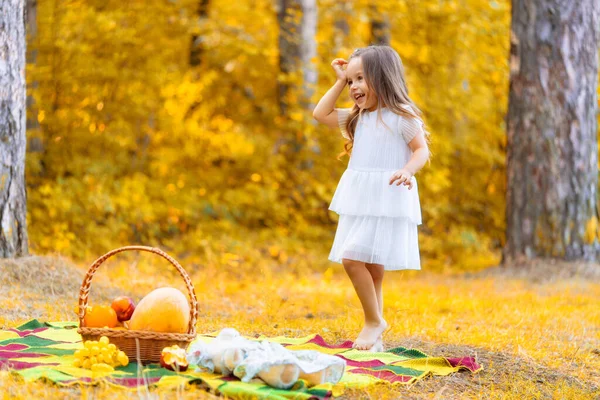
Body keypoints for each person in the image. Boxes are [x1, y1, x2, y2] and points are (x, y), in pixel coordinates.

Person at [312, 45, 430, 351]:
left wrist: (407, 170)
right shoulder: (356, 118)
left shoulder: (402, 118)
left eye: (360, 79)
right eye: (351, 82)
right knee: (373, 267)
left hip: (388, 195)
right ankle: (376, 332)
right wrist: (338, 80)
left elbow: (421, 150)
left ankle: (373, 321)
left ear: (383, 78)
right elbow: (319, 113)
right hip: (362, 198)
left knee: (353, 258)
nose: (354, 87)